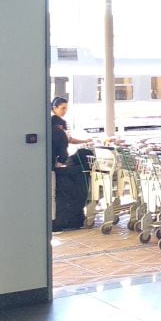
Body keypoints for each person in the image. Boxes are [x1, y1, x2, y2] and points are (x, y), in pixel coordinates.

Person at [51, 97, 91, 231]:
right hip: (55, 164)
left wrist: (83, 141)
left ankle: (55, 220)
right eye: (62, 108)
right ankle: (56, 221)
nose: (64, 111)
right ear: (54, 108)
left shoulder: (57, 125)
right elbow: (64, 146)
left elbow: (67, 140)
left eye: (66, 108)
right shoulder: (57, 126)